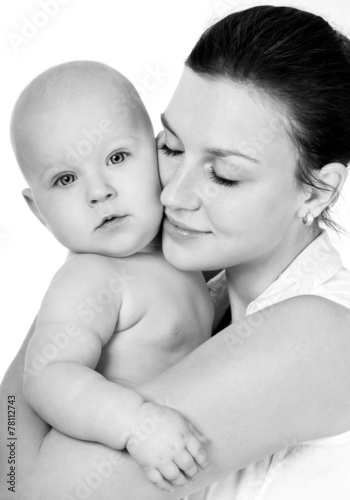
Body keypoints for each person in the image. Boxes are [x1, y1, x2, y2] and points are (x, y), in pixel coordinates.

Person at [2, 5, 350, 500]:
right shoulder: (202, 294)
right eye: (171, 147)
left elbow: (18, 485)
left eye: (224, 174)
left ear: (317, 191)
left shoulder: (318, 333)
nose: (172, 195)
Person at [10, 60, 214, 493]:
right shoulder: (91, 277)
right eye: (65, 179)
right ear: (38, 211)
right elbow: (49, 377)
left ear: (162, 153)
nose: (99, 190)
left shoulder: (180, 247)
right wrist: (135, 425)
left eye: (117, 157)